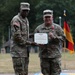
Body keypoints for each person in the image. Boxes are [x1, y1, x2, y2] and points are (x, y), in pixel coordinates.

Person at [34, 9, 65, 75]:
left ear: (52, 17)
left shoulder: (57, 28)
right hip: (44, 56)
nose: (47, 19)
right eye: (46, 17)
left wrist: (54, 37)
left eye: (49, 17)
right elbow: (35, 40)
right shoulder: (39, 28)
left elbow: (63, 38)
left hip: (55, 56)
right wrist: (38, 44)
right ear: (43, 18)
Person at [10, 2, 35, 75]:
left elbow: (24, 34)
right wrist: (30, 43)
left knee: (24, 72)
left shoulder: (26, 20)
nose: (25, 12)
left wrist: (32, 36)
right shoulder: (16, 20)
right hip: (18, 53)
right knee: (20, 73)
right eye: (24, 10)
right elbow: (17, 37)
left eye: (27, 11)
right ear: (20, 10)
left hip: (24, 52)